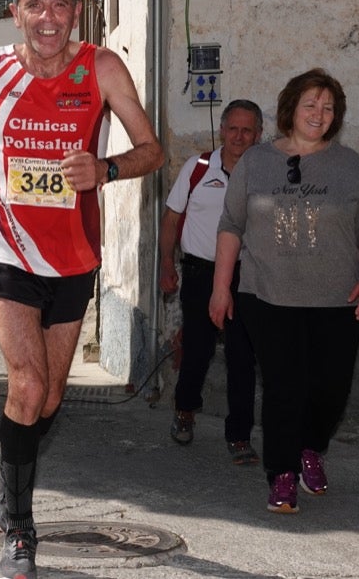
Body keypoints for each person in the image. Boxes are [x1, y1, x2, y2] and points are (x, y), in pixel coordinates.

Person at [0, 0, 163, 579]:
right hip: (7, 250)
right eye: (35, 5)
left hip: (74, 255)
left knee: (51, 396)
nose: (48, 18)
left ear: (77, 12)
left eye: (60, 4)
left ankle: (10, 458)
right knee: (29, 387)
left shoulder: (102, 67)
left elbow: (153, 148)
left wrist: (107, 169)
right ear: (16, 12)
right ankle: (19, 527)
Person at [210, 68, 359, 515]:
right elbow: (231, 226)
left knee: (330, 389)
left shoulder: (349, 165)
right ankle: (282, 473)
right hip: (267, 295)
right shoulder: (256, 161)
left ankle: (313, 446)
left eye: (328, 108)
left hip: (338, 298)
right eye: (311, 104)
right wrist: (220, 288)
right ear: (291, 108)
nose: (319, 114)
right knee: (284, 387)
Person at [157, 98, 263, 464]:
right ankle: (185, 410)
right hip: (201, 273)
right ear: (222, 130)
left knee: (242, 358)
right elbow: (171, 219)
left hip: (246, 278)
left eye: (247, 130)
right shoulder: (198, 168)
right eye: (233, 128)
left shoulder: (265, 175)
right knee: (197, 351)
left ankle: (239, 436)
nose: (239, 136)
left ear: (259, 134)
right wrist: (166, 265)